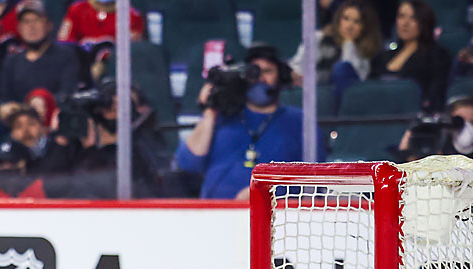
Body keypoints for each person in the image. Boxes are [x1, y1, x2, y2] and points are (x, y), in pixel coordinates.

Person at [176, 44, 323, 200]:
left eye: (267, 71)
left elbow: (314, 181)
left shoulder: (299, 121)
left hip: (275, 216)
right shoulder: (222, 116)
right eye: (254, 72)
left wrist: (260, 194)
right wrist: (210, 111)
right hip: (216, 214)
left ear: (281, 77)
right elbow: (188, 163)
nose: (260, 78)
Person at [0, 0, 81, 113]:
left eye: (37, 20)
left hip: (57, 120)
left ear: (49, 25)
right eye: (26, 21)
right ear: (19, 28)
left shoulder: (65, 56)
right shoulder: (12, 61)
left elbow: (67, 94)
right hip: (21, 123)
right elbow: (4, 99)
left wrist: (43, 102)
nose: (31, 26)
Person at [371, 0, 450, 112]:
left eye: (413, 18)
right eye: (401, 16)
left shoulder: (437, 55)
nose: (405, 23)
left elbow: (435, 95)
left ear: (424, 22)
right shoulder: (384, 56)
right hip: (379, 112)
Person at [289, 0, 382, 88]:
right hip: (313, 91)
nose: (349, 26)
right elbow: (296, 65)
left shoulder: (366, 53)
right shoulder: (319, 38)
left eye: (357, 22)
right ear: (338, 20)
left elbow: (353, 81)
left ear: (365, 27)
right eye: (346, 18)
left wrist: (348, 45)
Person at [57, 0, 144, 45]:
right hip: (80, 65)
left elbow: (133, 50)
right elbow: (64, 43)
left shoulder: (131, 16)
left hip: (114, 67)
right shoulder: (76, 9)